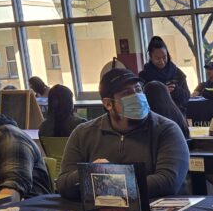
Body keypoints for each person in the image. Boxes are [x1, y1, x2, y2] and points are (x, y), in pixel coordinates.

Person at [56, 67, 189, 201]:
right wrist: (90, 171)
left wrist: (108, 181)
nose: (136, 96)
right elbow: (63, 184)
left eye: (138, 89)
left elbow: (168, 181)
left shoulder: (166, 129)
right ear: (108, 104)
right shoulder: (83, 133)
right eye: (126, 93)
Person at [139, 36, 190, 110]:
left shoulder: (177, 73)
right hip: (155, 116)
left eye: (164, 57)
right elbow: (141, 100)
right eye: (157, 58)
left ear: (168, 55)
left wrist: (175, 90)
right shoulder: (144, 75)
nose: (162, 61)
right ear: (150, 57)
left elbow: (186, 98)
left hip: (177, 115)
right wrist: (161, 92)